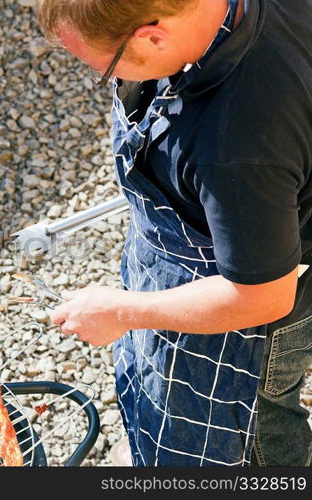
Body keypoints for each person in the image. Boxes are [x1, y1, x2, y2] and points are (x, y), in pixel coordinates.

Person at [37, 0, 312, 465]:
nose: (107, 81)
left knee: (258, 442)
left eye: (106, 70)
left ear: (153, 36)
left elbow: (263, 296)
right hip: (193, 257)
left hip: (251, 327)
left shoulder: (236, 143)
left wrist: (124, 312)